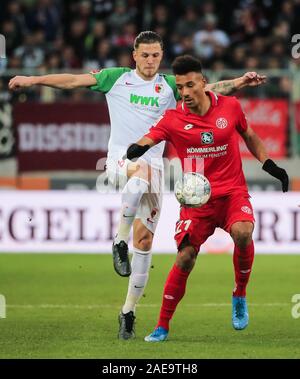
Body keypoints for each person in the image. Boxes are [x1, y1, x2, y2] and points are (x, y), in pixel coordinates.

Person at [9, 31, 267, 340]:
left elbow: (208, 89)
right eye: (144, 55)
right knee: (141, 170)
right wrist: (33, 81)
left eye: (156, 55)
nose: (150, 60)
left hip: (154, 169)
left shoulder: (171, 86)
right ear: (134, 55)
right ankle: (119, 241)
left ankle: (128, 312)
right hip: (121, 160)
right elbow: (73, 81)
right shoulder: (115, 78)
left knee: (144, 243)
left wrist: (240, 81)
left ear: (161, 55)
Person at [125, 54, 289, 342]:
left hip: (232, 193)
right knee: (186, 256)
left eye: (190, 85)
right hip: (196, 201)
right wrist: (135, 149)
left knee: (243, 232)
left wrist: (269, 164)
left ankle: (239, 293)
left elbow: (249, 135)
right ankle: (162, 325)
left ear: (203, 83)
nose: (186, 93)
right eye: (181, 87)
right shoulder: (174, 118)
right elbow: (149, 137)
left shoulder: (230, 107)